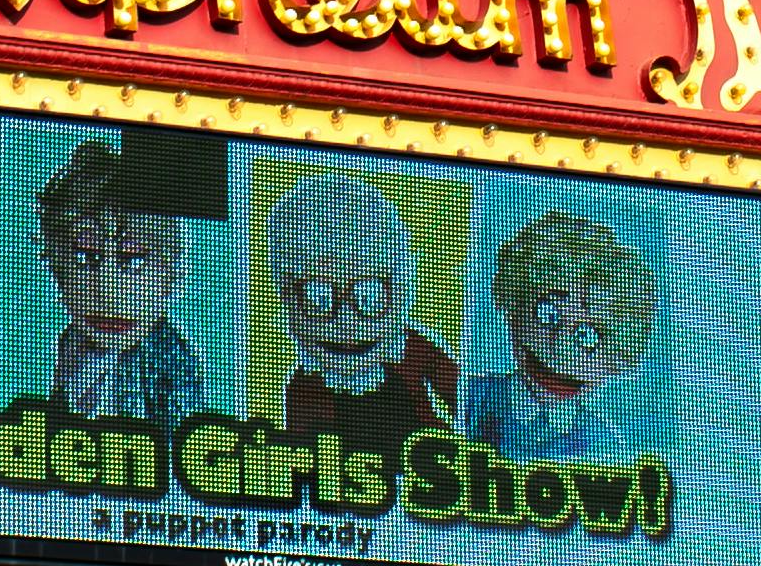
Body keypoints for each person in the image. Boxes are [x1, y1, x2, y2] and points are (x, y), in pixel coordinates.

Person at [267, 171, 456, 448]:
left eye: (369, 297)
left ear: (398, 291)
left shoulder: (413, 351)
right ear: (288, 298)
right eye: (319, 298)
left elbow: (465, 399)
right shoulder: (304, 388)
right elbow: (308, 466)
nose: (346, 321)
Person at [37, 135, 212, 429]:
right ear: (57, 264)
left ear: (171, 273)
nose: (107, 291)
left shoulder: (171, 361)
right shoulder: (71, 345)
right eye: (86, 257)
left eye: (133, 260)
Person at [465, 207, 665, 459]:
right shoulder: (468, 400)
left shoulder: (601, 449)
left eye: (587, 336)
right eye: (547, 314)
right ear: (514, 308)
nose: (560, 347)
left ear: (616, 357)